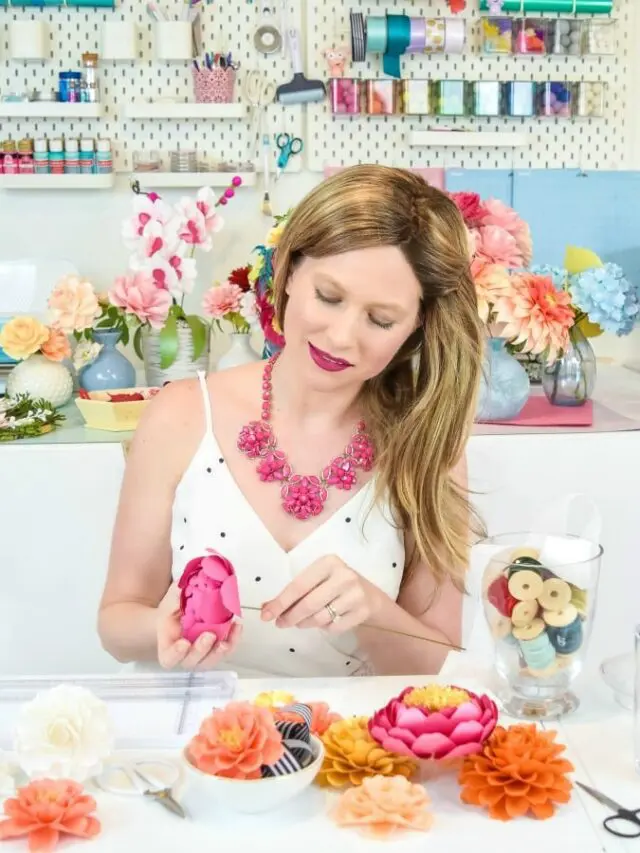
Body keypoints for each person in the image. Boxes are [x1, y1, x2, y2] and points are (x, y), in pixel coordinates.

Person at [98, 164, 484, 678]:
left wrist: (372, 612)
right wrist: (161, 629)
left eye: (381, 320)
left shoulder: (427, 444)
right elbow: (117, 624)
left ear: (416, 330)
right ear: (288, 274)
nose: (342, 336)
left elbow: (443, 665)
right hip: (191, 731)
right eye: (329, 297)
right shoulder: (182, 414)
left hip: (348, 746)